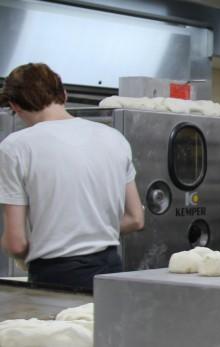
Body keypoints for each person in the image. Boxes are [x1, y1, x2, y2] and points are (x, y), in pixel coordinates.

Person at [0, 63, 144, 290]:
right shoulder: (114, 138)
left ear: (15, 106)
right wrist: (89, 230)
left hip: (56, 276)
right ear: (64, 94)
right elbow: (136, 218)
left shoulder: (16, 146)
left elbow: (16, 243)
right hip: (110, 270)